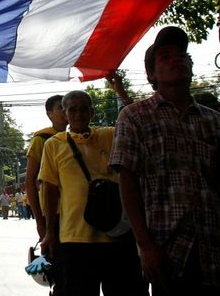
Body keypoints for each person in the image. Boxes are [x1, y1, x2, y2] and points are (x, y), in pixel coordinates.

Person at [110, 26, 220, 295]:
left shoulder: (215, 121)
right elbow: (127, 182)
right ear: (151, 74)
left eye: (182, 55)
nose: (176, 59)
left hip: (218, 250)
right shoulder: (135, 117)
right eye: (165, 56)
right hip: (170, 254)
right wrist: (145, 245)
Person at [39, 90, 145, 296]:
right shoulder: (53, 144)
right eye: (73, 109)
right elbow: (49, 191)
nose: (79, 114)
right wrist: (49, 232)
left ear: (92, 113)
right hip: (74, 239)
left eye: (84, 109)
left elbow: (139, 124)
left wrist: (122, 92)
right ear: (65, 113)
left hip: (118, 236)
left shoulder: (110, 135)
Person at [25, 95, 67, 240]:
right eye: (60, 107)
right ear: (49, 114)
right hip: (53, 212)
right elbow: (30, 182)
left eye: (66, 107)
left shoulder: (78, 137)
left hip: (77, 209)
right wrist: (39, 221)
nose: (65, 111)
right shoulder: (41, 139)